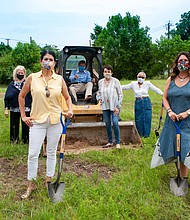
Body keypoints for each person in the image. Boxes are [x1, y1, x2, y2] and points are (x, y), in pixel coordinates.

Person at [18, 50, 73, 199]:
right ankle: (31, 183)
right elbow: (21, 96)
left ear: (55, 62)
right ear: (41, 61)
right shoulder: (32, 78)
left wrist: (70, 110)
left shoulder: (59, 79)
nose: (48, 61)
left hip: (55, 122)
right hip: (37, 121)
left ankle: (49, 180)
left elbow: (67, 98)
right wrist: (23, 116)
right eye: (45, 59)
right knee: (33, 154)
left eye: (51, 59)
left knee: (51, 152)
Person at [151, 51, 190, 178]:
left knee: (185, 149)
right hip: (172, 121)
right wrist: (170, 111)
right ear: (176, 63)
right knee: (174, 148)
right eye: (180, 61)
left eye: (185, 60)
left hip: (187, 122)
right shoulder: (171, 79)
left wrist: (186, 113)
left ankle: (183, 178)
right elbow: (164, 97)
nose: (182, 63)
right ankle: (179, 174)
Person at [122, 71, 163, 138]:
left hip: (146, 100)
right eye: (139, 77)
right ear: (137, 77)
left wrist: (162, 94)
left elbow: (155, 89)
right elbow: (125, 87)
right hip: (138, 101)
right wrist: (115, 87)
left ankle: (146, 134)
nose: (141, 78)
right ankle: (139, 134)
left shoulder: (147, 84)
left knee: (147, 117)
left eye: (142, 77)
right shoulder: (133, 84)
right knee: (138, 118)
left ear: (145, 78)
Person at [96, 64, 122, 149]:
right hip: (105, 106)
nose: (107, 73)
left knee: (115, 122)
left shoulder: (115, 81)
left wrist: (118, 106)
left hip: (114, 106)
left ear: (111, 72)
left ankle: (118, 142)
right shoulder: (100, 82)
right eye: (105, 72)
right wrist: (99, 98)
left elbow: (120, 94)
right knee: (107, 123)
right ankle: (110, 141)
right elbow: (98, 92)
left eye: (109, 72)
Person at [4, 65, 32, 144]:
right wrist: (6, 109)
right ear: (16, 73)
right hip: (14, 108)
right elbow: (7, 97)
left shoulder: (27, 83)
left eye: (22, 73)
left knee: (26, 125)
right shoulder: (12, 84)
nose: (20, 74)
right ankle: (14, 140)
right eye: (19, 73)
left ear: (24, 73)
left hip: (26, 107)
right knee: (14, 125)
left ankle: (26, 140)